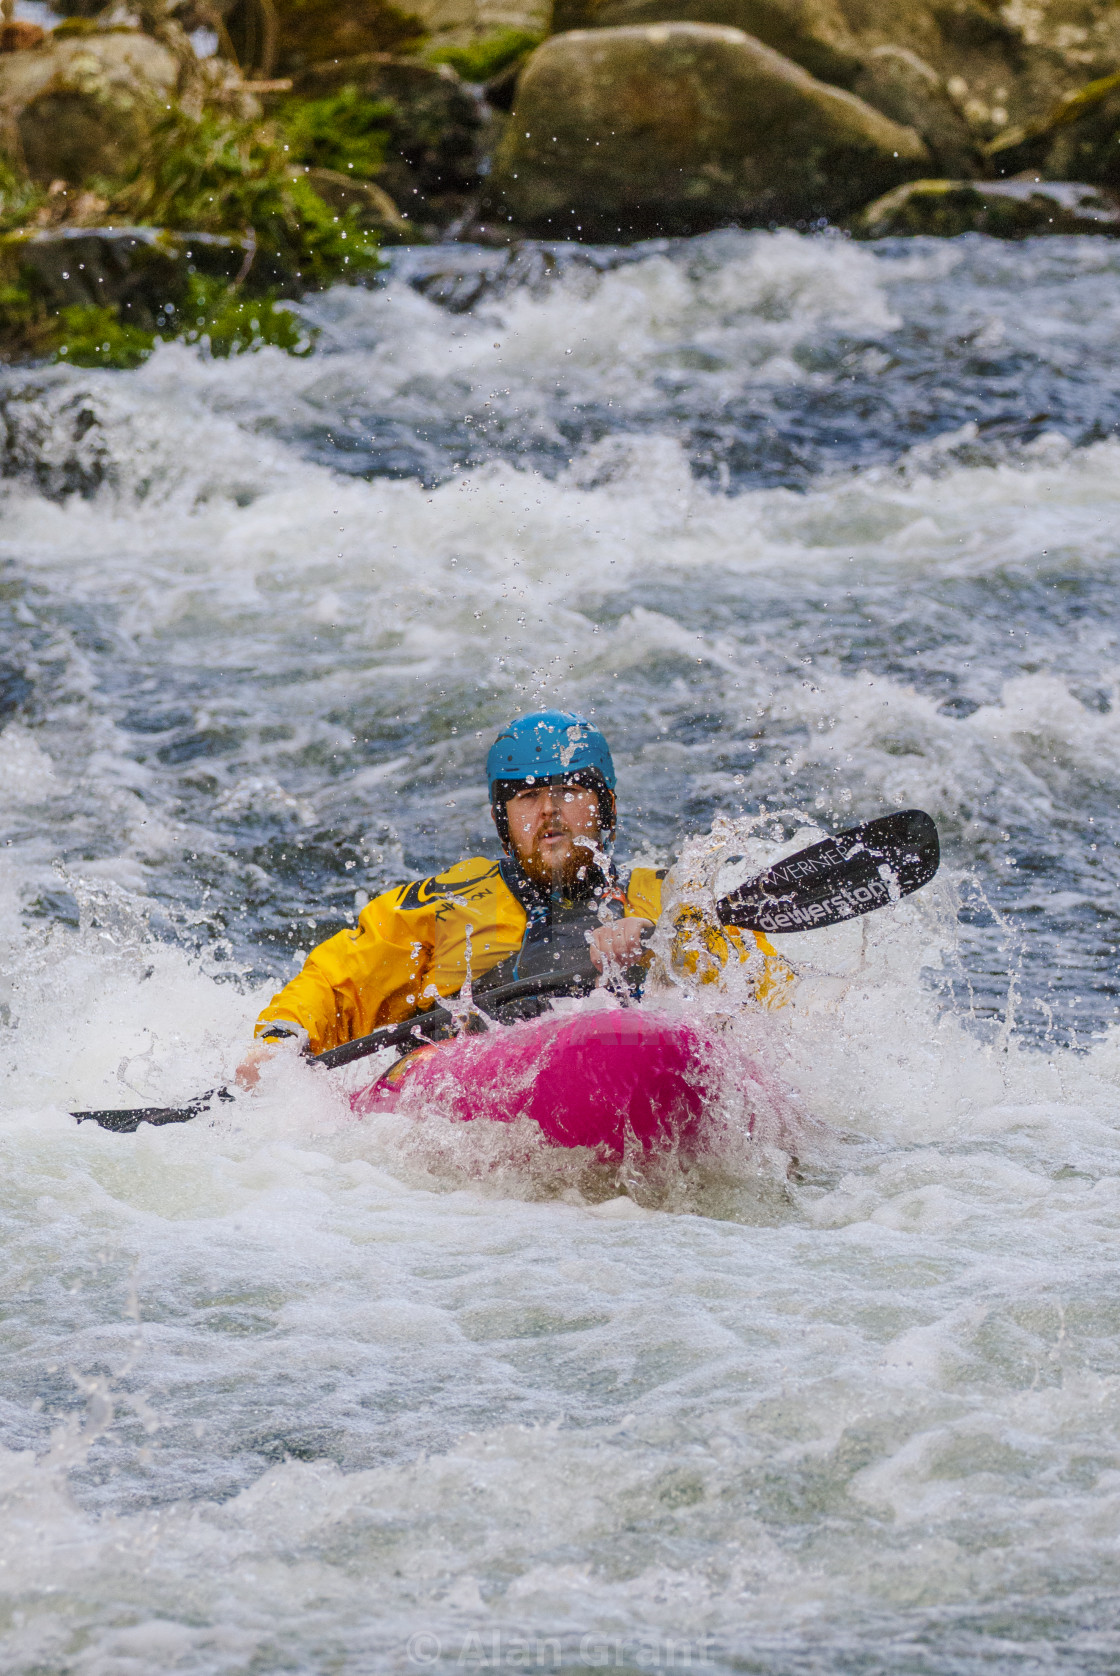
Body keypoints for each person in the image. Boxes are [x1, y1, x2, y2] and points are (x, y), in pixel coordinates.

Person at [237, 710, 790, 1085]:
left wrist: (658, 943)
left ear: (608, 807)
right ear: (505, 821)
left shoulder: (669, 897)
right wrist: (281, 1040)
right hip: (466, 1063)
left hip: (638, 1057)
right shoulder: (449, 899)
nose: (548, 812)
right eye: (527, 797)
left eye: (569, 791)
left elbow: (762, 993)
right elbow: (340, 973)